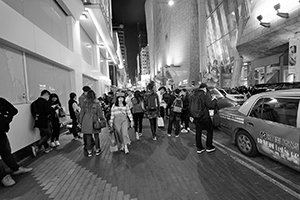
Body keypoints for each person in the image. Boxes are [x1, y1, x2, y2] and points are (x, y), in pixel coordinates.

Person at [0, 97, 33, 187]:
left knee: (6, 151)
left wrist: (6, 118)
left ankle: (16, 169)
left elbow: (14, 110)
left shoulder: (1, 101)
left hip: (1, 132)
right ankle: (3, 176)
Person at [191, 83, 217, 154]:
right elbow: (210, 105)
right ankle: (209, 146)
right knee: (209, 130)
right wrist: (214, 99)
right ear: (205, 88)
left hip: (196, 117)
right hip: (204, 116)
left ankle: (199, 148)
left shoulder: (193, 95)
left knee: (198, 132)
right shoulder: (204, 95)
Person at [79, 90, 105, 157]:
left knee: (88, 136)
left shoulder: (84, 103)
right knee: (96, 136)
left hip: (86, 120)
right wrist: (102, 120)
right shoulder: (97, 103)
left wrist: (80, 122)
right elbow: (100, 113)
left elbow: (81, 113)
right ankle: (97, 149)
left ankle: (89, 151)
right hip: (94, 120)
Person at [31, 90, 55, 156]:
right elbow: (48, 111)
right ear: (46, 94)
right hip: (45, 120)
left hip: (38, 121)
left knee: (43, 134)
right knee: (49, 134)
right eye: (48, 96)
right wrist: (52, 108)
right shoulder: (45, 102)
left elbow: (33, 112)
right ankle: (37, 146)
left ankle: (46, 147)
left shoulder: (34, 103)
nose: (48, 98)